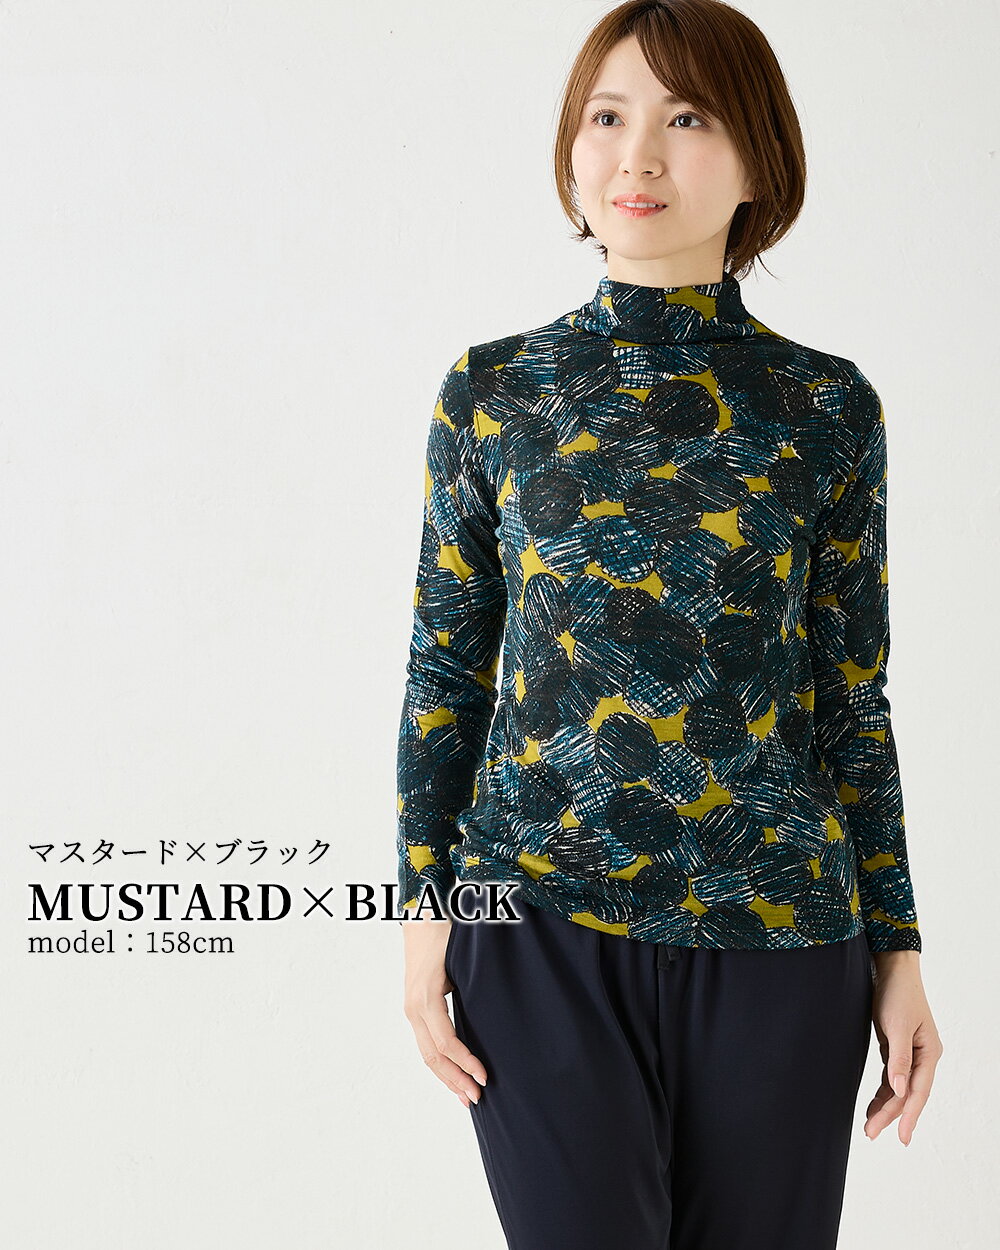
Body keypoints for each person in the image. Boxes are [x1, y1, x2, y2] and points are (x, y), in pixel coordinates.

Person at [394, 2, 943, 1246]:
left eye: (685, 118)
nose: (636, 154)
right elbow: (445, 670)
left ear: (757, 162)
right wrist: (424, 916)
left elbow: (851, 696)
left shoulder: (823, 407)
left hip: (784, 936)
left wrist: (899, 949)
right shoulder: (494, 392)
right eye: (607, 116)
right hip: (533, 923)